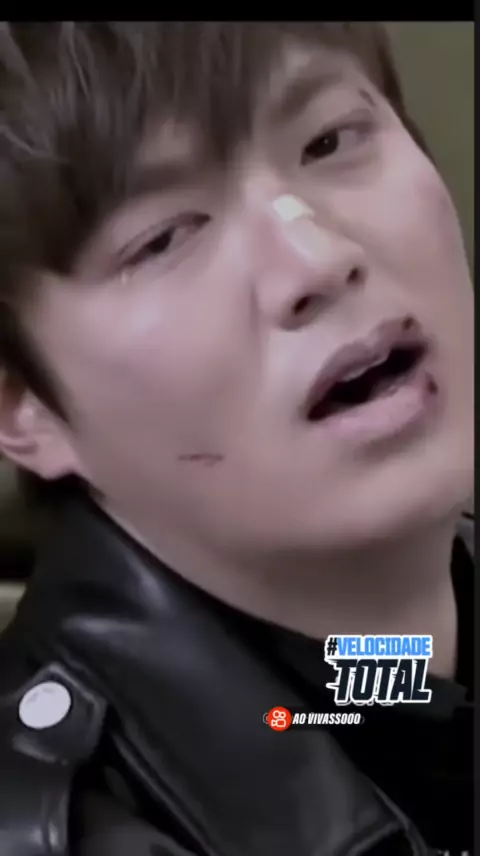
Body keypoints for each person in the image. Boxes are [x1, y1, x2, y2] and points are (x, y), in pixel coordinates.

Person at [0, 22, 473, 856]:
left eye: (330, 140)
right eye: (164, 237)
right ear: (23, 407)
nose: (316, 259)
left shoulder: (383, 676)